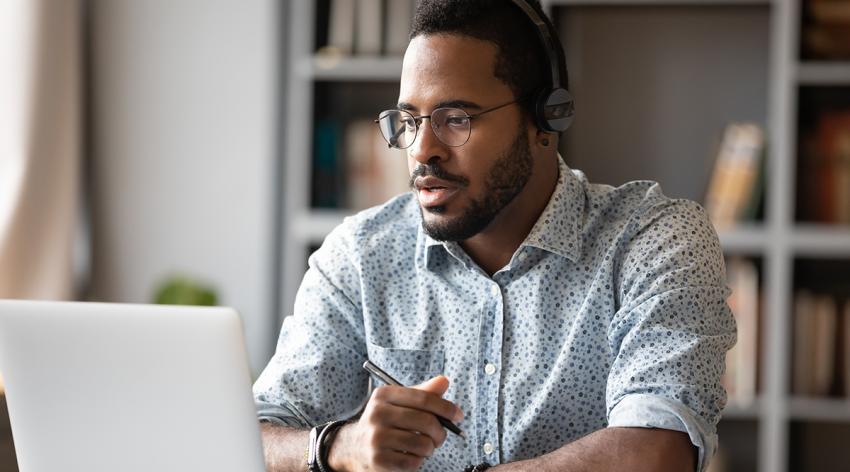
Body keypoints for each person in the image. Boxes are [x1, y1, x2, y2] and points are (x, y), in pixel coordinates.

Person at [253, 1, 736, 471]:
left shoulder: (653, 241)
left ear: (546, 120)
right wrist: (337, 446)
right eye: (409, 121)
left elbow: (655, 454)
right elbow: (252, 434)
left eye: (456, 119)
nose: (423, 150)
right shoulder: (361, 256)